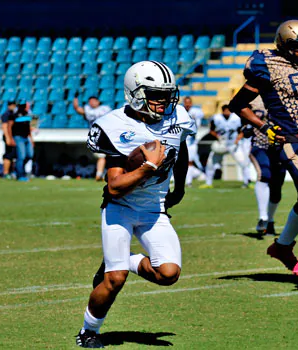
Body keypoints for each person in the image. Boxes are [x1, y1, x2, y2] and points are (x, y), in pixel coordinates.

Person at [75, 61, 195, 348]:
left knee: (169, 274)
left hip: (154, 208)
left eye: (166, 94)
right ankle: (88, 331)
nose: (163, 101)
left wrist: (178, 187)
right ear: (135, 92)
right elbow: (114, 187)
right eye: (155, 94)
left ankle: (127, 260)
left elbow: (182, 149)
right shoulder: (115, 125)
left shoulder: (178, 117)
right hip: (121, 208)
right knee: (113, 280)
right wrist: (145, 169)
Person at [229, 19, 298, 275]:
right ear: (283, 45)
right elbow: (238, 104)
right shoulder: (267, 65)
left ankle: (282, 246)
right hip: (289, 140)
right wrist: (264, 127)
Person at [246, 100, 285, 235]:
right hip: (259, 145)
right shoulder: (252, 97)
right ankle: (263, 217)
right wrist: (245, 126)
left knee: (277, 188)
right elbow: (240, 110)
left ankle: (270, 220)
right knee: (264, 174)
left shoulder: (284, 93)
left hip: (280, 147)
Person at [200, 105, 251, 188]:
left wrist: (238, 138)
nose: (227, 112)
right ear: (222, 111)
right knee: (210, 163)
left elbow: (243, 130)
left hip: (233, 145)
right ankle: (208, 183)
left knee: (243, 163)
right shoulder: (217, 118)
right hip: (221, 145)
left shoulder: (236, 118)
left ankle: (247, 182)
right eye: (225, 110)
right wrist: (218, 137)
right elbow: (211, 130)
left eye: (228, 110)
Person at [73, 95, 112, 181]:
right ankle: (100, 174)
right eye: (90, 101)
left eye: (94, 100)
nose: (92, 103)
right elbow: (78, 109)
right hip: (97, 136)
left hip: (108, 135)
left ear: (98, 101)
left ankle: (101, 174)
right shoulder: (88, 110)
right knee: (102, 156)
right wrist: (75, 98)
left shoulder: (105, 109)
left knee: (107, 156)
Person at [8, 101, 34, 182]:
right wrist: (10, 138)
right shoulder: (14, 115)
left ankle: (17, 170)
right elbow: (9, 127)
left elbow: (28, 127)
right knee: (21, 156)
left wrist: (31, 139)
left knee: (30, 155)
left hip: (26, 137)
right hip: (18, 138)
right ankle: (20, 175)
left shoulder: (27, 114)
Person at [182, 96, 205, 186]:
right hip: (181, 139)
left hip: (191, 141)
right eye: (186, 102)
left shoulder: (196, 112)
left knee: (190, 161)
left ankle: (189, 181)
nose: (187, 104)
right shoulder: (180, 111)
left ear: (191, 103)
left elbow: (197, 127)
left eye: (189, 102)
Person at [0, 101, 17, 179]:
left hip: (12, 136)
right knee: (8, 154)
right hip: (8, 137)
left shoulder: (12, 114)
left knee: (12, 155)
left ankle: (10, 172)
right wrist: (8, 138)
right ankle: (5, 173)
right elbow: (4, 127)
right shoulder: (6, 114)